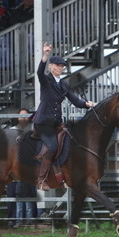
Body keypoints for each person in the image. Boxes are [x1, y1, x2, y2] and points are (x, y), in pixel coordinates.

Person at [33, 43, 95, 190]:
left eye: (62, 66)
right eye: (57, 65)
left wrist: (87, 104)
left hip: (56, 122)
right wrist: (45, 56)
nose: (61, 68)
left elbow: (74, 100)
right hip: (43, 122)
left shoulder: (64, 84)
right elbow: (39, 72)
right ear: (51, 67)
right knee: (53, 146)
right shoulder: (46, 80)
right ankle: (41, 180)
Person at [7, 108, 37, 227]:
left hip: (28, 167)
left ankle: (31, 219)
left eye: (26, 116)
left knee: (29, 194)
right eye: (21, 116)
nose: (24, 118)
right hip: (14, 167)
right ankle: (12, 219)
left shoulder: (32, 130)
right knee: (13, 193)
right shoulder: (13, 131)